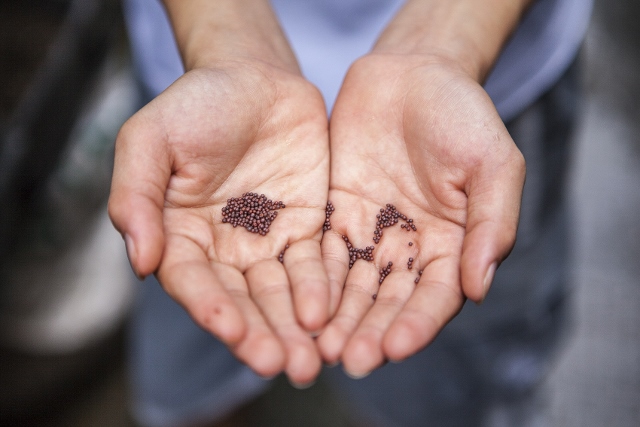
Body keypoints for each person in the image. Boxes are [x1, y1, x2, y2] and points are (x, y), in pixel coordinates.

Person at [108, 0, 593, 425]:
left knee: (440, 396)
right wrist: (225, 37)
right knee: (189, 366)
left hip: (468, 101)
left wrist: (445, 41)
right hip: (211, 124)